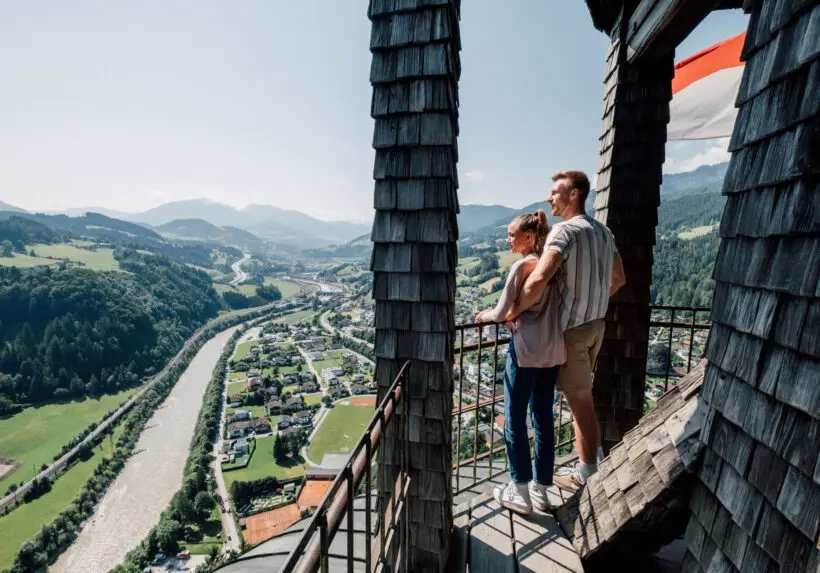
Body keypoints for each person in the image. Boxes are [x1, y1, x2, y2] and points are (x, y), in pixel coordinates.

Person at [509, 170, 625, 487]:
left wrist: (512, 309)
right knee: (580, 397)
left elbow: (538, 280)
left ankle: (590, 473)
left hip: (572, 330)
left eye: (555, 192)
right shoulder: (604, 233)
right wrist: (593, 300)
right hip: (595, 325)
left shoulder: (564, 232)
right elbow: (619, 279)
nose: (550, 198)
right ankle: (589, 465)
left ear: (573, 194)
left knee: (580, 401)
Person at [474, 210, 566, 514]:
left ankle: (520, 490)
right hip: (553, 351)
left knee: (513, 419)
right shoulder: (553, 268)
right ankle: (542, 490)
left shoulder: (522, 267)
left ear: (528, 237)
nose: (507, 239)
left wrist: (483, 316)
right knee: (543, 418)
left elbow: (501, 313)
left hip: (526, 351)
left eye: (512, 235)